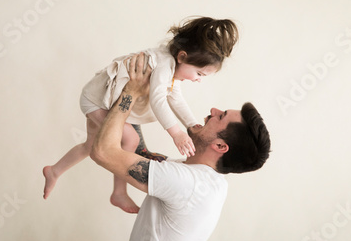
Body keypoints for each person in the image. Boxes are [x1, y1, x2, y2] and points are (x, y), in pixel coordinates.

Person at [43, 17, 239, 213]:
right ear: (182, 57)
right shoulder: (163, 64)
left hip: (99, 100)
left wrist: (191, 124)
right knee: (131, 138)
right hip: (96, 101)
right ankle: (118, 192)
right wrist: (176, 133)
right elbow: (158, 100)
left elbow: (175, 98)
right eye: (199, 74)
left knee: (89, 145)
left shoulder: (173, 69)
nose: (198, 80)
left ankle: (54, 170)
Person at [91, 53, 271, 241]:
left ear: (220, 146)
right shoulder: (205, 180)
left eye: (221, 116)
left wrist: (130, 92)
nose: (213, 109)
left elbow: (103, 152)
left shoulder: (188, 184)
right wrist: (145, 90)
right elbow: (140, 152)